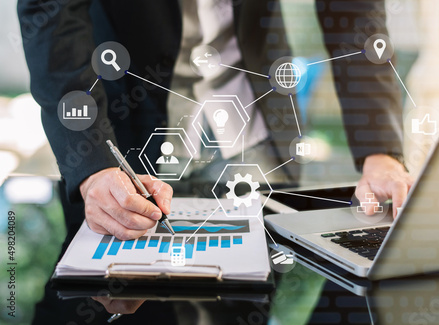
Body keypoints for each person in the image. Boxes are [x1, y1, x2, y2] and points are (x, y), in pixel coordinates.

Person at [18, 0, 412, 322]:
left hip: (255, 134)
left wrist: (379, 150)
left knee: (242, 306)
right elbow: (52, 14)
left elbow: (353, 10)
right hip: (122, 131)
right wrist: (92, 163)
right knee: (107, 306)